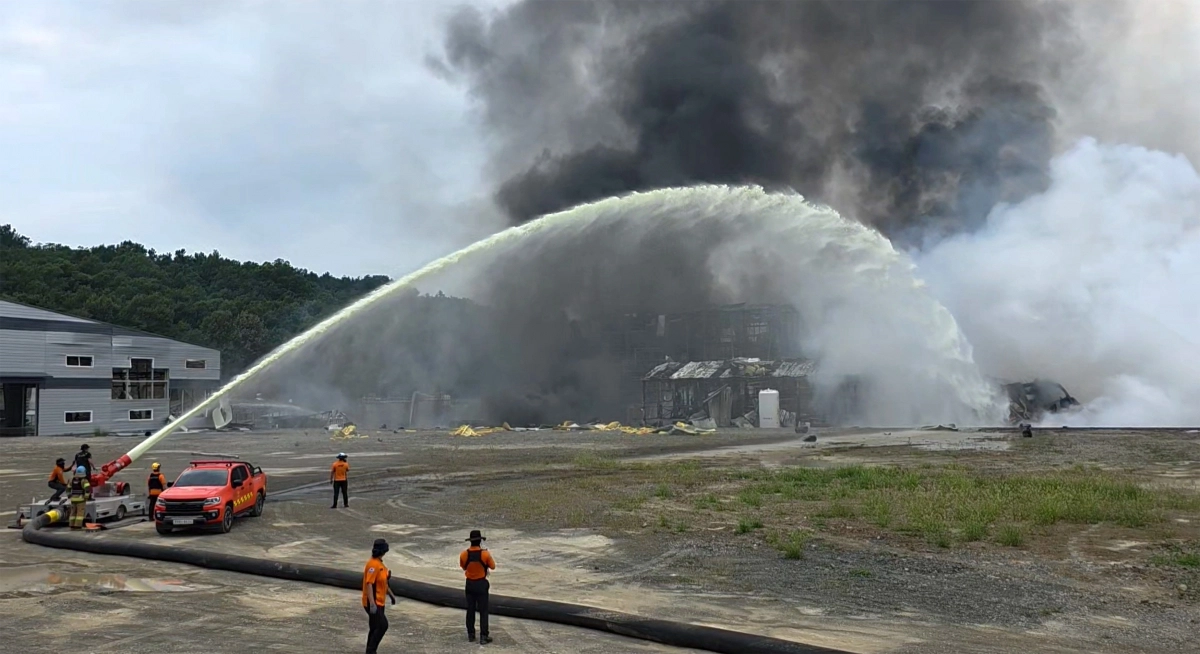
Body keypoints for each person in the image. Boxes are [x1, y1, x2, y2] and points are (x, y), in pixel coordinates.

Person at [459, 529, 497, 644]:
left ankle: (471, 634)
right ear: (480, 541)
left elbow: (463, 567)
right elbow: (493, 566)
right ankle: (483, 636)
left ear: (470, 541)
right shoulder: (485, 554)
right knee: (483, 610)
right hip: (481, 584)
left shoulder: (464, 554)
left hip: (469, 584)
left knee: (470, 609)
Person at [362, 537, 396, 654]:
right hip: (373, 602)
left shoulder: (380, 565)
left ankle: (369, 650)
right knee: (382, 625)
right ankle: (371, 651)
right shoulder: (373, 565)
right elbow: (369, 584)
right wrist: (372, 603)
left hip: (380, 602)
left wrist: (391, 595)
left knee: (375, 626)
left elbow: (384, 583)